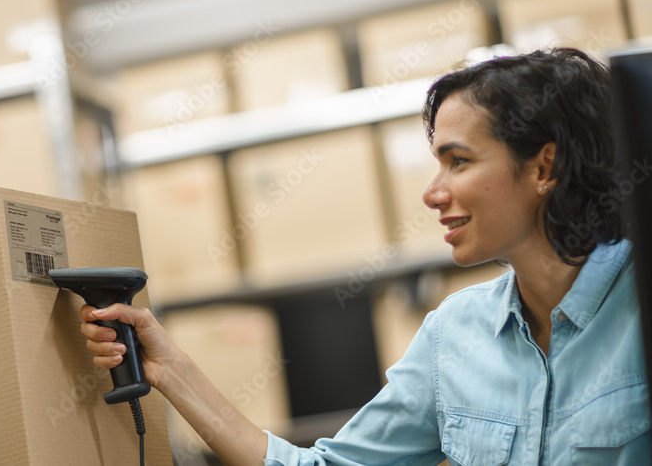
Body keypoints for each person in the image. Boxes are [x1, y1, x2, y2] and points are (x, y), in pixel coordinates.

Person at [78, 48, 649, 464]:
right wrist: (169, 370)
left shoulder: (637, 306)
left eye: (459, 161)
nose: (433, 192)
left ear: (543, 167)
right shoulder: (456, 335)